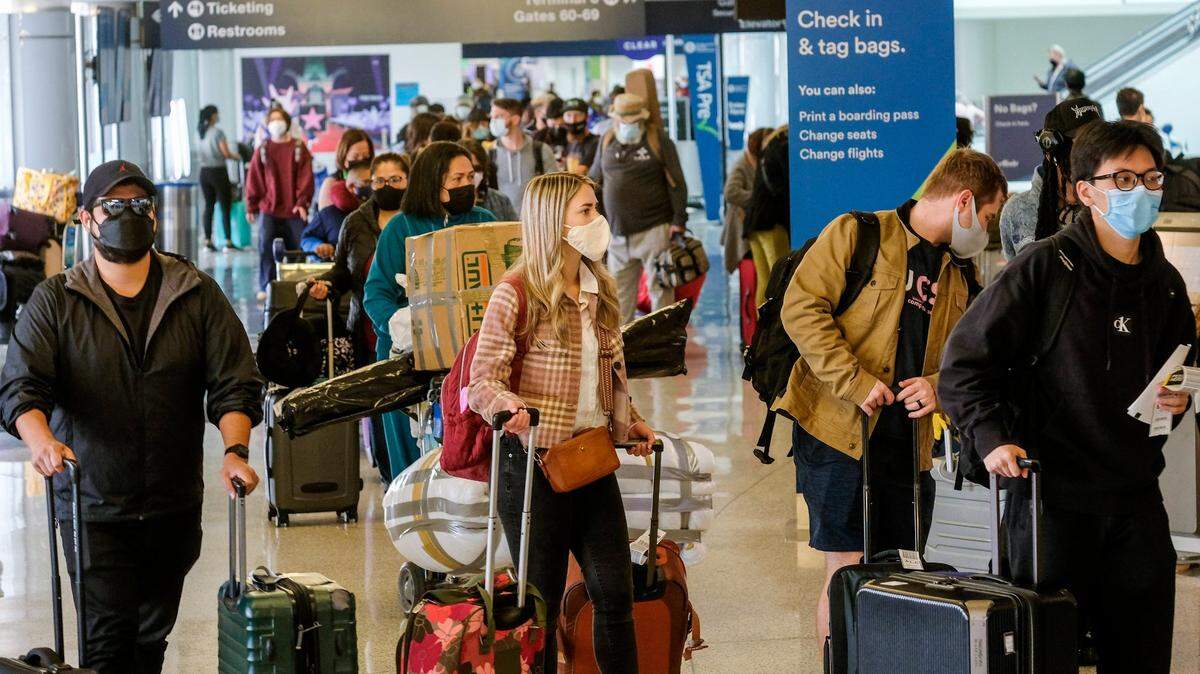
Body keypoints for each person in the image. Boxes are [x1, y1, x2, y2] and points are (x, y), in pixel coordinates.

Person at [939, 121, 1191, 674]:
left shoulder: (1166, 283)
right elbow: (961, 367)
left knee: (1143, 654)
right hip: (1051, 502)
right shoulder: (1045, 268)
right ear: (1085, 190)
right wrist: (991, 438)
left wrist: (1177, 404)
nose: (1142, 190)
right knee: (1042, 656)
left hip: (1135, 502)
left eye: (1151, 178)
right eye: (1122, 178)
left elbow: (1178, 375)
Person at [0, 160, 262, 673]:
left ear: (156, 219)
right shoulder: (57, 300)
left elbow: (235, 381)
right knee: (107, 645)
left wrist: (235, 452)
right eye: (113, 205)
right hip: (93, 504)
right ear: (85, 219)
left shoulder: (195, 292)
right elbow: (20, 386)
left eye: (140, 205)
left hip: (173, 504)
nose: (128, 214)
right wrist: (41, 441)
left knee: (151, 640)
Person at [777, 149, 1007, 643]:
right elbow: (800, 310)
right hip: (838, 431)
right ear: (963, 200)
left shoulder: (958, 273)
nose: (985, 231)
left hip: (908, 445)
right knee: (847, 568)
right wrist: (856, 381)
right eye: (987, 217)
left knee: (902, 572)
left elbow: (963, 358)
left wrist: (939, 388)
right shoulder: (857, 234)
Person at [468, 171, 657, 674]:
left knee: (615, 594)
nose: (598, 220)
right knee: (541, 606)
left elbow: (611, 372)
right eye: (586, 210)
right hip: (532, 465)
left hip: (590, 459)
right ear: (554, 221)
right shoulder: (517, 292)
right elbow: (481, 379)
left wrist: (630, 423)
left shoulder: (600, 288)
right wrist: (507, 406)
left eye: (596, 207)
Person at [363, 142, 496, 473]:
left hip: (470, 357)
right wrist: (401, 325)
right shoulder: (402, 227)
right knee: (413, 458)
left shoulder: (484, 222)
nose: (468, 184)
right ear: (433, 181)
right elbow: (376, 293)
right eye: (458, 178)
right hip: (409, 358)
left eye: (471, 176)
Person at [310, 153, 410, 481]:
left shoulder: (417, 221)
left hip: (412, 329)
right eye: (380, 181)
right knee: (379, 403)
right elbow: (342, 268)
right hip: (367, 328)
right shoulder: (355, 222)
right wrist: (327, 284)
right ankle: (388, 474)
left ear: (408, 181)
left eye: (395, 180)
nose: (387, 187)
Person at [589, 93, 688, 323]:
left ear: (642, 119)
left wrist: (679, 220)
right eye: (624, 121)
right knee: (619, 299)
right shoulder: (607, 140)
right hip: (617, 234)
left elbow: (677, 183)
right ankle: (625, 351)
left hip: (654, 229)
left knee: (660, 293)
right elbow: (594, 180)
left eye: (633, 121)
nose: (628, 125)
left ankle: (664, 347)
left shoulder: (658, 140)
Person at [999, 98, 1102, 259]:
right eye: (1082, 144)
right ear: (1050, 149)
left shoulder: (1109, 204)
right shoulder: (1018, 210)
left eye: (1098, 143)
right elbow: (1015, 278)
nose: (1092, 153)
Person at [246, 106, 315, 296]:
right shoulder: (263, 149)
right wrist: (251, 205)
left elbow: (306, 177)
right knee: (265, 247)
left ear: (287, 122)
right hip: (269, 209)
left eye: (279, 118)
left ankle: (296, 285)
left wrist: (302, 202)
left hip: (294, 210)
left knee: (298, 247)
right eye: (272, 119)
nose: (276, 123)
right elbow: (254, 178)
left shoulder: (299, 148)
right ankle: (266, 286)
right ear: (267, 124)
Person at [722, 127, 771, 347]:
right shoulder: (744, 163)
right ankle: (751, 336)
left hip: (753, 229)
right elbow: (730, 192)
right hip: (744, 233)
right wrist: (759, 198)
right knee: (753, 286)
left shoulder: (759, 163)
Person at [742, 125, 790, 306]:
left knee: (765, 280)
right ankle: (776, 329)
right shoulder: (779, 150)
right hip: (771, 223)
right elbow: (782, 189)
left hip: (754, 224)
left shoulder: (765, 155)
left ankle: (761, 331)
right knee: (780, 279)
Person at [490, 98, 556, 216]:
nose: (493, 121)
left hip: (536, 223)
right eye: (492, 117)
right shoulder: (491, 154)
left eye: (498, 117)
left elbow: (554, 189)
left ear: (515, 119)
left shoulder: (540, 151)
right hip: (501, 224)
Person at [301, 160, 370, 261]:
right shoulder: (328, 214)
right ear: (351, 187)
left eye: (376, 181)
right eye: (367, 182)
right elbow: (306, 239)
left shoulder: (380, 211)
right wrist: (318, 246)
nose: (372, 187)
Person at [196, 105, 242, 252]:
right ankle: (228, 242)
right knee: (224, 206)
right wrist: (238, 156)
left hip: (204, 172)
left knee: (209, 206)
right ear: (212, 116)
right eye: (217, 113)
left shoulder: (199, 133)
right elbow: (226, 153)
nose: (218, 115)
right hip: (218, 172)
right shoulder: (218, 132)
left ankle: (208, 241)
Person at [460, 138, 519, 221]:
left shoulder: (501, 201)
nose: (472, 175)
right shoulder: (447, 207)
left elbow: (516, 231)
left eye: (477, 169)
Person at [316, 128, 374, 211]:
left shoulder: (374, 181)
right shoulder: (331, 183)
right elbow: (327, 219)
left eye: (365, 157)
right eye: (355, 157)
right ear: (344, 156)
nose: (361, 161)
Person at [562, 98, 599, 176]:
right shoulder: (564, 141)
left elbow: (581, 171)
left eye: (578, 115)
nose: (573, 120)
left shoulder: (596, 142)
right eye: (568, 115)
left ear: (587, 117)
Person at [533, 96, 568, 160]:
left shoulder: (573, 135)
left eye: (562, 125)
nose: (557, 128)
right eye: (553, 125)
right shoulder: (540, 136)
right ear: (546, 120)